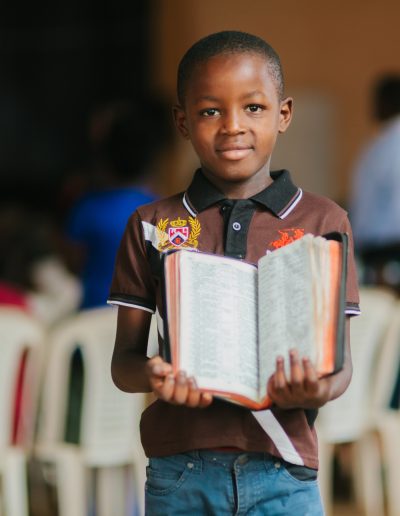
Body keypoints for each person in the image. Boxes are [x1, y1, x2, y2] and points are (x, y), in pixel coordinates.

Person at [108, 31, 360, 515]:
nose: (232, 126)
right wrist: (155, 375)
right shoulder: (151, 225)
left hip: (284, 470)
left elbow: (341, 364)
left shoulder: (325, 223)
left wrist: (320, 389)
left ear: (283, 114)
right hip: (180, 473)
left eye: (254, 108)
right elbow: (123, 363)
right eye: (210, 111)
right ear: (183, 122)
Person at [65, 100, 165, 309]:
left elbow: (73, 264)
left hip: (93, 314)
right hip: (142, 315)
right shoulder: (159, 210)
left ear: (104, 160)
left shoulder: (87, 208)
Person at [349, 74, 400, 291]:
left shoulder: (393, 143)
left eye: (379, 100)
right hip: (376, 253)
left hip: (389, 254)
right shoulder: (381, 141)